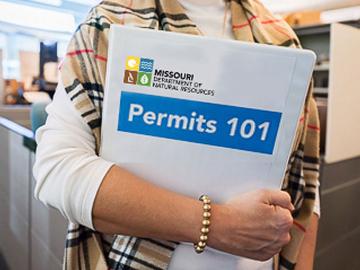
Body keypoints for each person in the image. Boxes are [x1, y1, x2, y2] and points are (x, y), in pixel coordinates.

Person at [33, 0, 321, 269]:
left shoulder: (281, 38)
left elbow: (303, 186)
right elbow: (57, 169)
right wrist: (217, 225)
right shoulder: (107, 25)